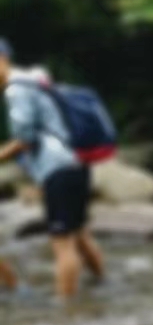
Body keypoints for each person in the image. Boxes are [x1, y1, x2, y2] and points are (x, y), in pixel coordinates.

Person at [0, 40, 105, 299]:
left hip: (58, 168)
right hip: (76, 161)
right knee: (79, 234)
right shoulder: (36, 81)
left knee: (62, 243)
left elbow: (24, 140)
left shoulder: (17, 90)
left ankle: (65, 308)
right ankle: (103, 285)